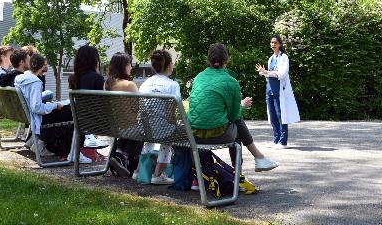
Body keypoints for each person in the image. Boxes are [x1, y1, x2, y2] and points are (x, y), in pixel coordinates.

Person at [189, 43, 279, 176]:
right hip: (216, 135)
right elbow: (233, 115)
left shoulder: (198, 77)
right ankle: (240, 174)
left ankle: (258, 159)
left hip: (194, 135)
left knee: (234, 122)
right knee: (237, 124)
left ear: (208, 59)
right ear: (227, 60)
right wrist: (242, 106)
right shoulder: (231, 81)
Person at [14, 54, 84, 160]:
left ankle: (33, 140)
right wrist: (54, 105)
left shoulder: (19, 78)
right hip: (34, 115)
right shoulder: (35, 82)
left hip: (24, 113)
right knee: (67, 113)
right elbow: (37, 108)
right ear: (41, 66)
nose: (46, 69)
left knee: (57, 109)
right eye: (45, 66)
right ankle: (41, 144)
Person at [136, 49, 180, 185]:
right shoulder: (172, 85)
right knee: (167, 139)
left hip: (145, 128)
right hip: (162, 130)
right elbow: (171, 112)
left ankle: (140, 171)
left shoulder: (145, 83)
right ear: (168, 66)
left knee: (150, 138)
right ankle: (158, 174)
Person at [256, 34, 300, 148]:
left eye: (275, 43)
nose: (273, 45)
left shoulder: (284, 57)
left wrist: (266, 72)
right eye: (271, 43)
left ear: (279, 44)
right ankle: (276, 140)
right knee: (272, 115)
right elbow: (269, 75)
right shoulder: (271, 58)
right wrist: (263, 73)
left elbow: (281, 74)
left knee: (281, 115)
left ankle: (283, 141)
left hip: (279, 91)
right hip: (269, 90)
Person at [105, 52, 143, 177]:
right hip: (129, 129)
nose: (131, 67)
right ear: (123, 66)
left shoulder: (107, 85)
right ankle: (123, 155)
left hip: (113, 128)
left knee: (131, 128)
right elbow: (139, 107)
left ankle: (119, 154)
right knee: (142, 129)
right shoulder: (129, 85)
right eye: (129, 64)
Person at [68, 45, 106, 148]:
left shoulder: (74, 78)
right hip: (98, 122)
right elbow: (103, 104)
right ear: (95, 60)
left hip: (80, 120)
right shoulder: (97, 78)